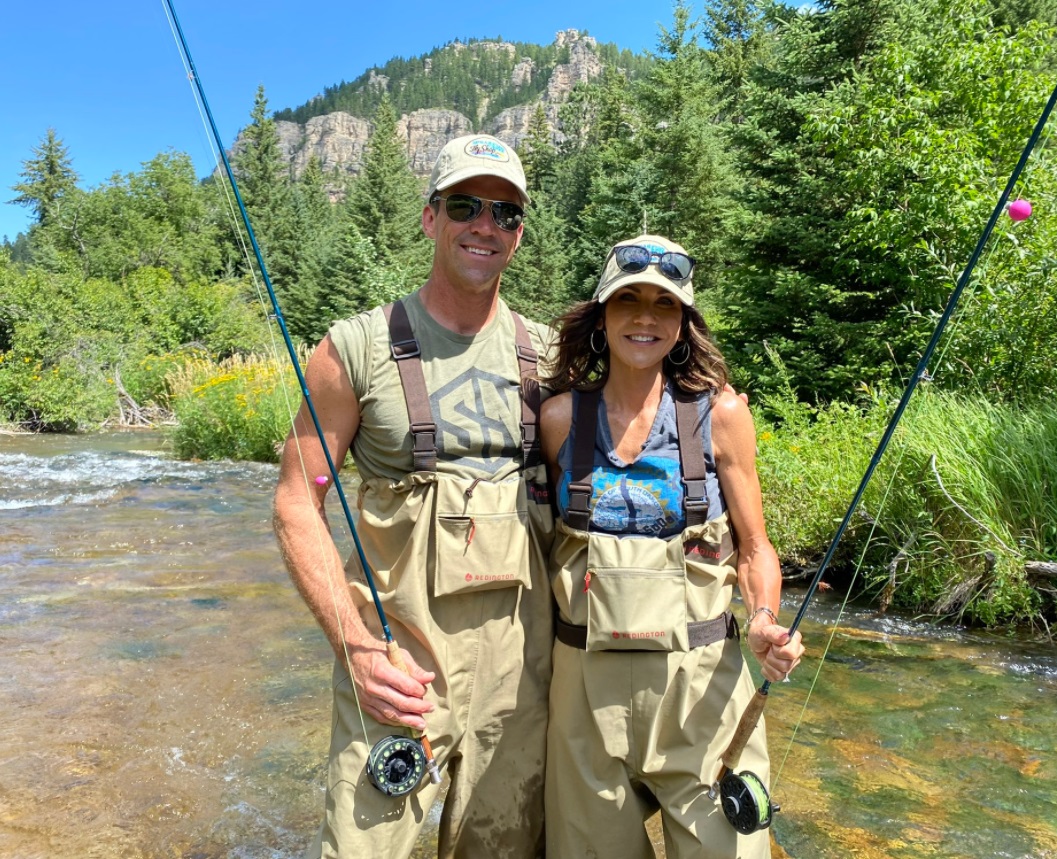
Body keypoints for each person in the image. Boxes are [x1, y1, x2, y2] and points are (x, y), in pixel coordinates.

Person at [273, 134, 554, 859]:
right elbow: (296, 503)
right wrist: (357, 650)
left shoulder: (551, 356)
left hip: (520, 677)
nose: (484, 226)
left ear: (520, 232)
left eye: (505, 213)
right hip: (397, 667)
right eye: (465, 205)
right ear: (431, 218)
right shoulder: (353, 349)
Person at [539, 235, 805, 858]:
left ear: (683, 323)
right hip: (582, 697)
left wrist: (764, 619)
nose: (644, 317)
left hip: (702, 693)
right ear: (601, 317)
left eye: (664, 305)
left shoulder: (722, 415)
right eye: (627, 299)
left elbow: (755, 548)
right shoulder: (558, 420)